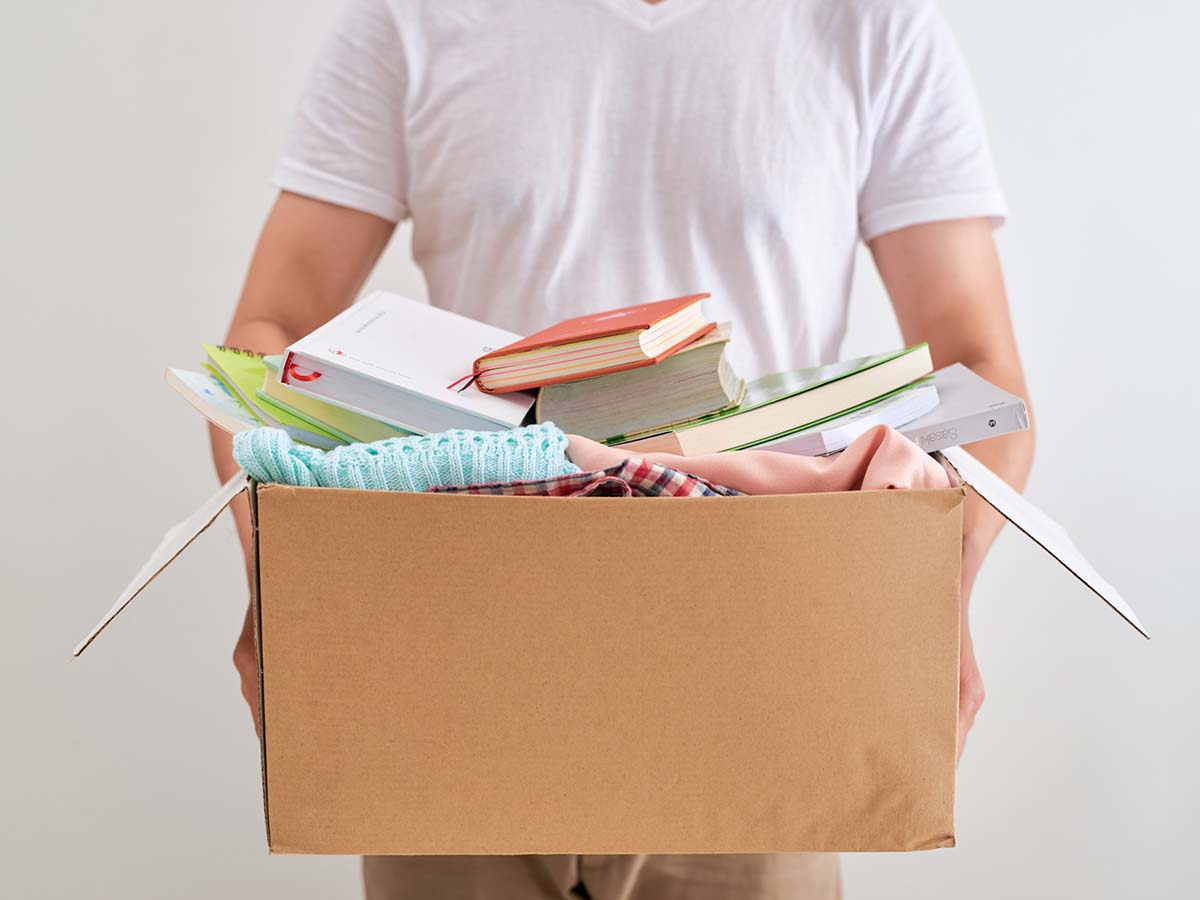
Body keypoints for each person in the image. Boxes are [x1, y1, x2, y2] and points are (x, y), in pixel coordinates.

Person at [211, 1, 1035, 897]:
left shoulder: (871, 23)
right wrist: (288, 569)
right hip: (457, 666)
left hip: (762, 684)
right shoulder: (412, 18)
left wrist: (929, 587)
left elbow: (975, 370)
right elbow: (275, 332)